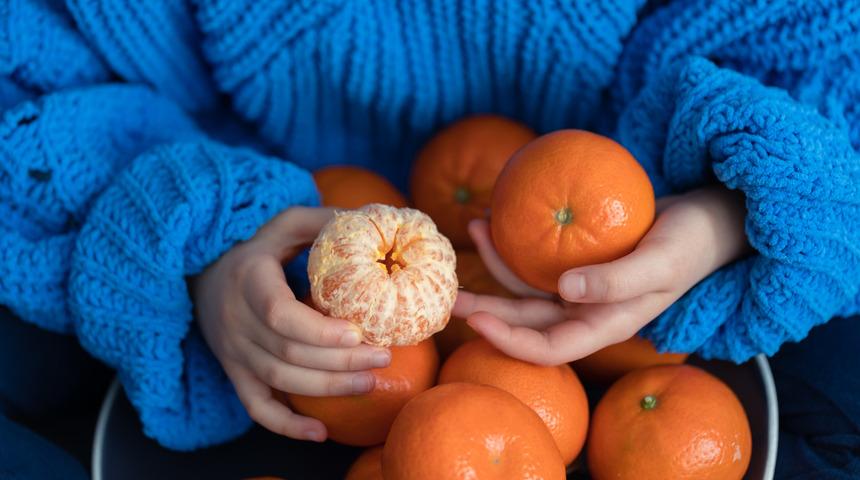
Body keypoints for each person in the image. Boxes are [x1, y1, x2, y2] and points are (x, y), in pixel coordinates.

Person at [1, 0, 858, 478]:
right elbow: (44, 67)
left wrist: (714, 212)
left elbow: (808, 48)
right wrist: (204, 245)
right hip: (271, 225)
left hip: (608, 226)